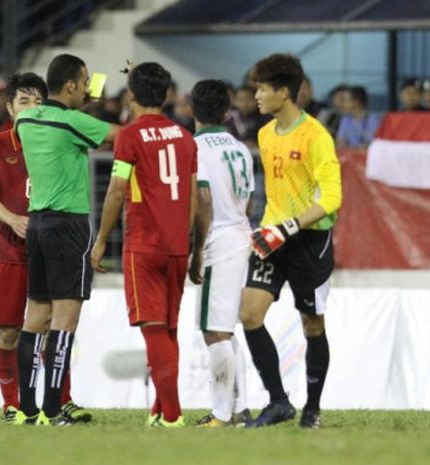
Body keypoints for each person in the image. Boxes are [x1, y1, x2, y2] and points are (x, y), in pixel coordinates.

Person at [0, 72, 92, 423]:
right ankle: (12, 403)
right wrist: (12, 219)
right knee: (11, 329)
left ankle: (61, 399)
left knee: (56, 325)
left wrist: (92, 83)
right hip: (10, 250)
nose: (31, 107)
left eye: (37, 101)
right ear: (10, 108)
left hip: (51, 242)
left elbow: (86, 105)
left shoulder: (58, 136)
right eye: (23, 101)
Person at [90, 62, 197, 428]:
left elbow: (118, 188)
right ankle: (159, 409)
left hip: (144, 244)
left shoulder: (129, 137)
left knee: (154, 330)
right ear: (166, 96)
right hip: (178, 244)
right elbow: (193, 195)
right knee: (168, 330)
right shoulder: (185, 137)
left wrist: (102, 239)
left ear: (131, 95)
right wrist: (191, 239)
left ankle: (172, 415)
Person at [13, 54, 118, 426]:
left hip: (37, 223)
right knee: (65, 319)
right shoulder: (74, 121)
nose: (89, 85)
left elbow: (60, 111)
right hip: (69, 225)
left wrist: (82, 97)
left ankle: (26, 408)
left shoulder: (26, 118)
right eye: (85, 80)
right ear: (73, 85)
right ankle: (55, 409)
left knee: (35, 317)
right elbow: (123, 137)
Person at [240, 53, 342, 429]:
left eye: (263, 90)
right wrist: (267, 228)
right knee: (249, 314)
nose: (257, 97)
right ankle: (279, 401)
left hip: (309, 242)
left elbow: (331, 198)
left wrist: (287, 228)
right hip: (273, 238)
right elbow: (277, 192)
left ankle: (312, 408)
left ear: (284, 92)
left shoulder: (316, 136)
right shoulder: (265, 134)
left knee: (312, 324)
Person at [187, 79, 253, 428]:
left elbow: (203, 201)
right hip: (241, 233)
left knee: (213, 331)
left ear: (190, 109)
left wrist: (196, 250)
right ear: (227, 112)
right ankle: (240, 409)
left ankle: (221, 413)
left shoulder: (196, 148)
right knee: (225, 330)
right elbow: (251, 198)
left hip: (218, 240)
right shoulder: (240, 147)